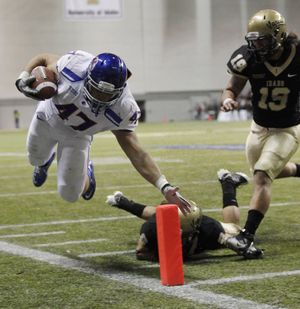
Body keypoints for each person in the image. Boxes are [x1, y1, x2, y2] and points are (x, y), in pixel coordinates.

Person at [15, 50, 191, 214]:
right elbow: (44, 58)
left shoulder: (124, 108)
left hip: (77, 136)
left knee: (69, 194)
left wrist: (164, 186)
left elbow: (137, 153)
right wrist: (23, 77)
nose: (101, 98)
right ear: (88, 78)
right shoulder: (73, 66)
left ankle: (88, 173)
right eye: (97, 91)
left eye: (108, 95)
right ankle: (44, 162)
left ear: (120, 90)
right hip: (47, 117)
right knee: (35, 158)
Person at [220, 9, 300, 255]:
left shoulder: (297, 55)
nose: (256, 45)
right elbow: (231, 88)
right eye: (253, 40)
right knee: (259, 174)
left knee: (263, 176)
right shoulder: (247, 58)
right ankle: (298, 169)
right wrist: (228, 99)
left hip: (286, 128)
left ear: (278, 35)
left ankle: (247, 235)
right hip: (258, 128)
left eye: (262, 39)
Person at [106, 169, 264, 261]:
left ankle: (228, 184)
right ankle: (124, 202)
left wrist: (242, 247)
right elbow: (140, 252)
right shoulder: (152, 229)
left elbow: (238, 241)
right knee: (158, 213)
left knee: (235, 226)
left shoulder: (207, 229)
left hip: (202, 232)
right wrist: (163, 256)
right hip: (177, 226)